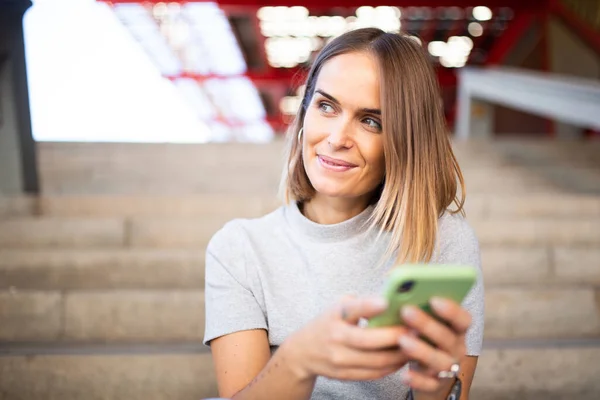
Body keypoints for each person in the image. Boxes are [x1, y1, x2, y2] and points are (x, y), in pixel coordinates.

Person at [203, 27, 484, 400]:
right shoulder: (238, 248)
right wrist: (300, 359)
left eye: (371, 121)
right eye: (326, 106)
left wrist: (436, 381)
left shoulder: (444, 239)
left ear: (404, 140)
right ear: (304, 113)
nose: (337, 137)